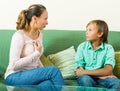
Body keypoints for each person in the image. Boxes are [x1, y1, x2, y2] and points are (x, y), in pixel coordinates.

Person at [5, 4, 65, 88]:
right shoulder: (19, 36)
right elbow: (14, 66)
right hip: (14, 76)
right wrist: (36, 53)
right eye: (45, 18)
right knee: (53, 70)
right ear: (35, 18)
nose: (47, 22)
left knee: (47, 84)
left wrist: (43, 72)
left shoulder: (40, 35)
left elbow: (37, 60)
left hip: (32, 75)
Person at [74, 19, 120, 89]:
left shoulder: (108, 48)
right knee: (85, 80)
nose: (86, 32)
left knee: (117, 83)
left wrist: (85, 72)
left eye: (90, 30)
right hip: (88, 77)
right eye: (86, 30)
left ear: (100, 34)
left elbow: (108, 70)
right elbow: (79, 72)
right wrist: (101, 74)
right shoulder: (82, 47)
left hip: (104, 78)